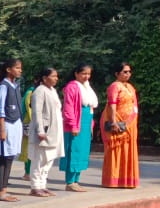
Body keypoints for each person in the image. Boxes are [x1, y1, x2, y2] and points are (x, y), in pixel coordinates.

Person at [101, 61, 140, 189]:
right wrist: (113, 122)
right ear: (117, 74)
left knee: (128, 150)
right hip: (118, 122)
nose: (128, 74)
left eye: (129, 71)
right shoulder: (115, 86)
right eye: (125, 72)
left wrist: (130, 122)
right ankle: (113, 180)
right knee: (115, 150)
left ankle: (127, 180)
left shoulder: (130, 87)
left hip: (130, 124)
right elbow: (112, 105)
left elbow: (134, 106)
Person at [61, 63, 97, 191]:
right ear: (76, 74)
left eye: (88, 74)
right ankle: (70, 182)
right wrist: (73, 125)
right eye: (83, 73)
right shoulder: (72, 87)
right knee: (74, 151)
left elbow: (91, 108)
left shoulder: (87, 87)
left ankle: (76, 180)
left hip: (86, 122)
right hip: (76, 122)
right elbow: (68, 107)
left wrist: (91, 125)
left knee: (82, 152)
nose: (86, 76)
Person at [0, 57, 24, 203]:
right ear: (8, 69)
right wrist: (3, 129)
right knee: (3, 158)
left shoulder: (16, 85)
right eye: (17, 68)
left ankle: (4, 189)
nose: (20, 70)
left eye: (20, 68)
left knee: (10, 157)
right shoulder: (3, 86)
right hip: (7, 124)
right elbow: (0, 108)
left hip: (16, 123)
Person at [28, 68, 63, 196]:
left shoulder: (52, 90)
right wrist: (40, 130)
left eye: (56, 76)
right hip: (44, 131)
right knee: (39, 159)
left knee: (49, 160)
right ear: (44, 78)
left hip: (54, 131)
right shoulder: (39, 91)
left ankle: (42, 185)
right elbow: (37, 112)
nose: (56, 78)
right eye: (53, 76)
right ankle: (35, 186)